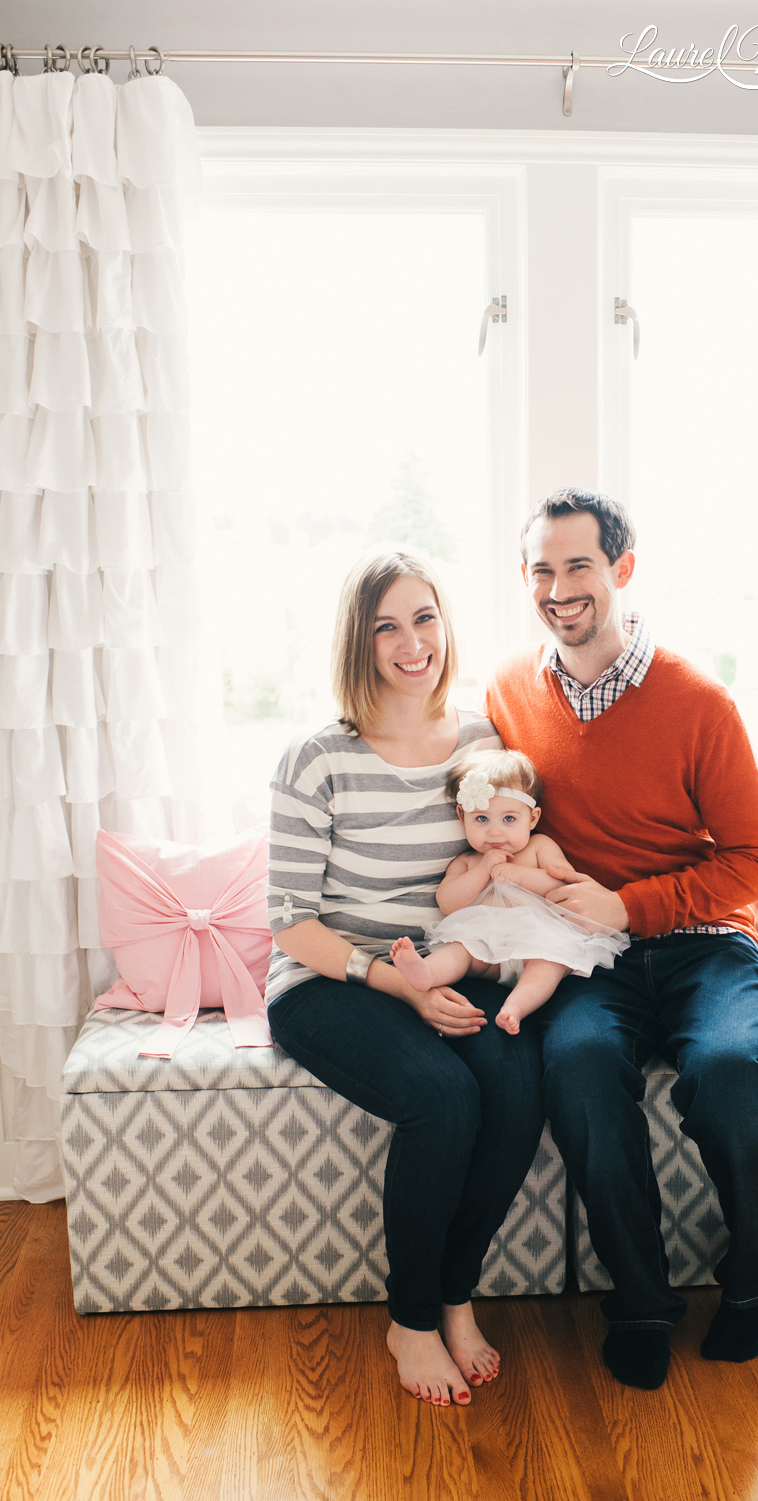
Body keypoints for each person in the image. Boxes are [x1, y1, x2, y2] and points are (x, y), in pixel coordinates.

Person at [485, 487, 758, 1391]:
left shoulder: (700, 702)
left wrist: (634, 904)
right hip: (587, 956)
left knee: (731, 1073)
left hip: (703, 941)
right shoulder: (508, 691)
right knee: (577, 1070)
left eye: (578, 564)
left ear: (622, 569)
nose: (559, 586)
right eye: (541, 568)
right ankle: (643, 1295)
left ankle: (756, 1278)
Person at [265, 550, 544, 1409]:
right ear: (361, 640)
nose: (411, 640)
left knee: (516, 1085)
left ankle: (456, 1294)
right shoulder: (318, 756)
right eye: (386, 624)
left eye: (424, 617)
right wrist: (398, 984)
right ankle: (411, 1319)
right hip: (332, 976)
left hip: (447, 962)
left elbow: (505, 859)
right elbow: (289, 921)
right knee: (444, 1100)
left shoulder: (479, 744)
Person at [390, 747, 629, 1034]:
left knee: (549, 964)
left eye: (508, 819)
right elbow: (448, 903)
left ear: (533, 817)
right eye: (481, 819)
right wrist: (482, 871)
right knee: (460, 951)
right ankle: (425, 974)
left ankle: (515, 1007)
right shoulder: (467, 861)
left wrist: (521, 875)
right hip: (485, 947)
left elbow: (565, 887)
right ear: (461, 816)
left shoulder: (540, 848)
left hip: (540, 941)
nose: (495, 833)